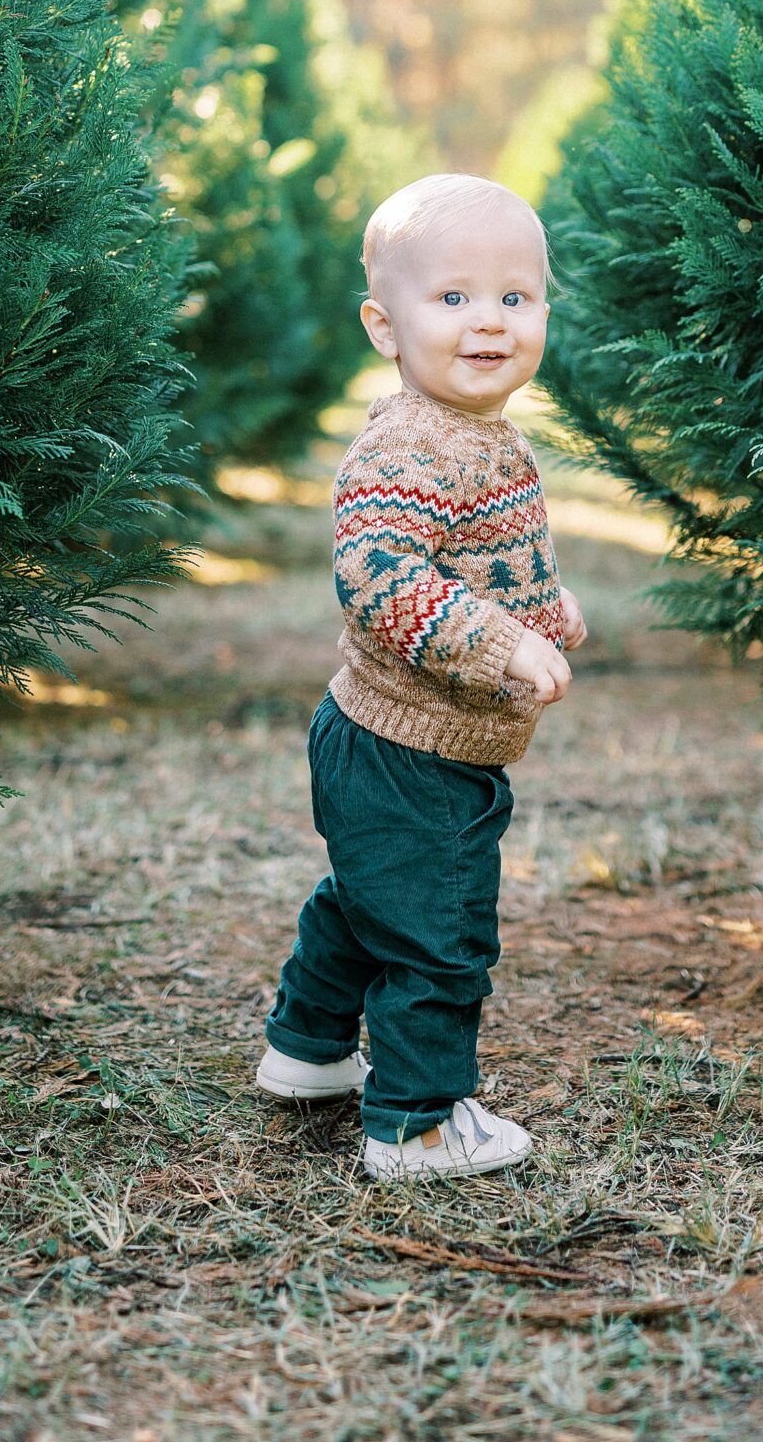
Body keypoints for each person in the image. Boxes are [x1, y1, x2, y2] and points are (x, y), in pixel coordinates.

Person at [255, 173, 587, 1178]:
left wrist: (546, 610)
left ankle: (308, 1048)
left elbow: (484, 553)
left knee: (371, 898)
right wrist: (499, 645)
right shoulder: (407, 443)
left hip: (399, 741)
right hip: (413, 749)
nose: (488, 321)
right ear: (383, 324)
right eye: (452, 298)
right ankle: (417, 1122)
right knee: (438, 932)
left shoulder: (482, 432)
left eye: (514, 297)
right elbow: (382, 575)